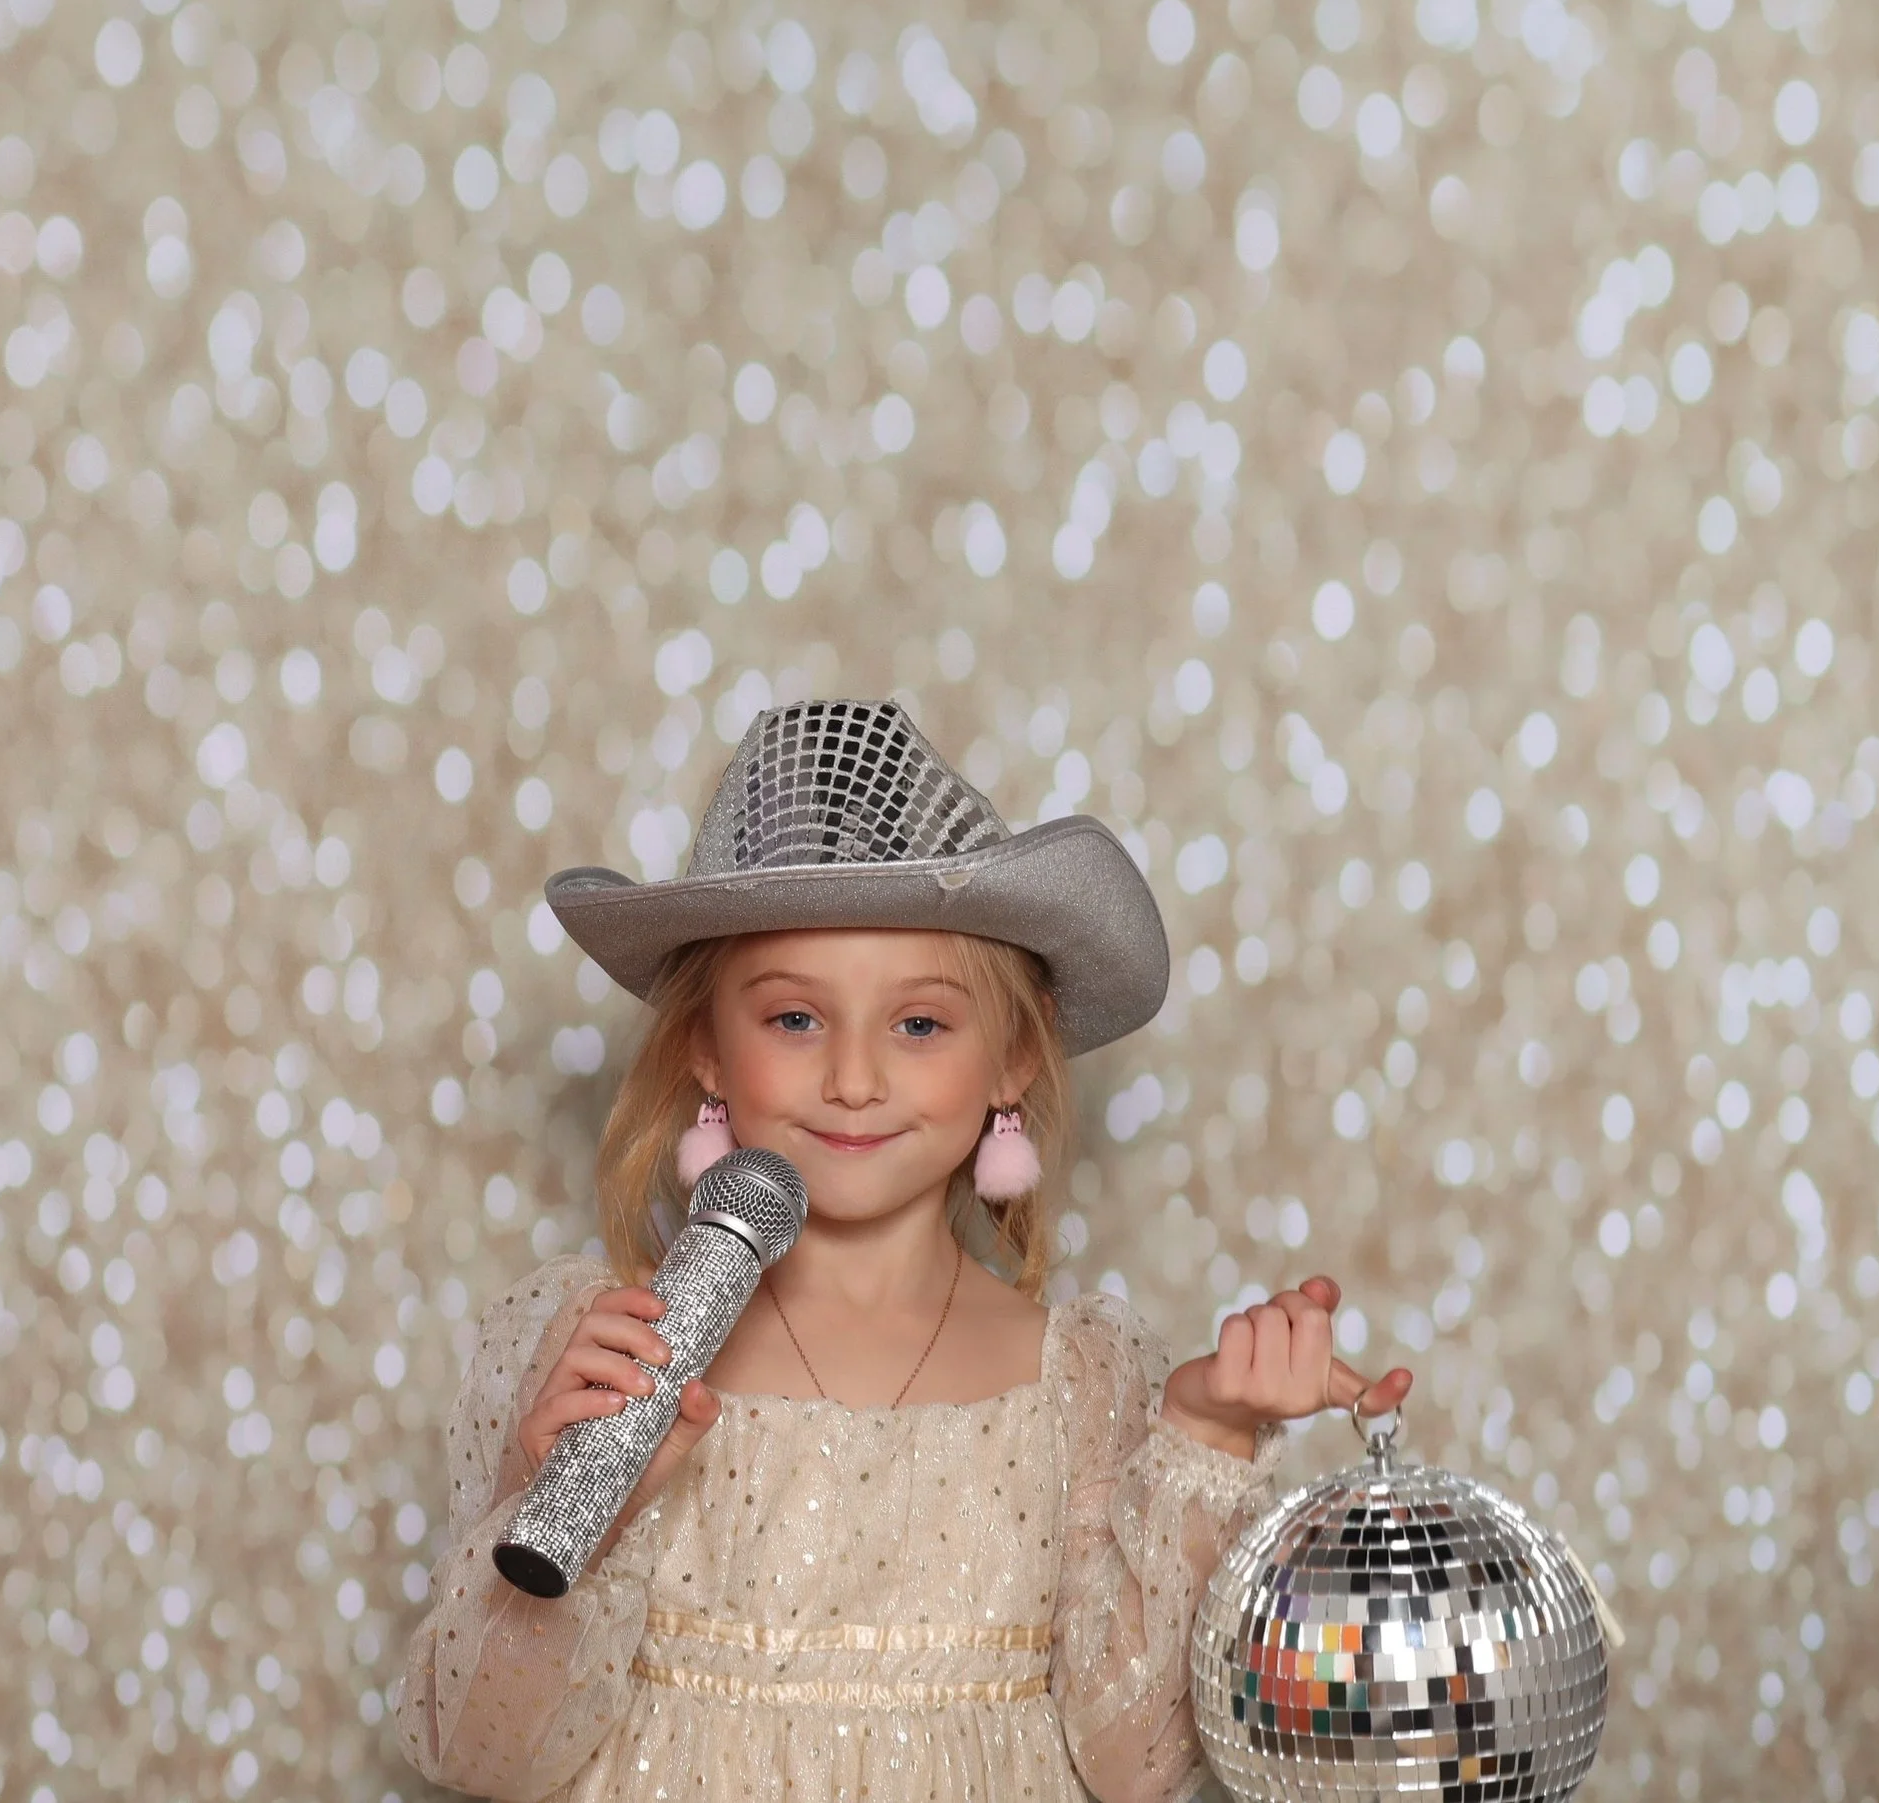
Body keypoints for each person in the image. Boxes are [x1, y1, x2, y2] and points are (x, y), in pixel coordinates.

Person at [393, 699, 1410, 1802]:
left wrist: (1209, 1432)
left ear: (1013, 1057)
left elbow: (1134, 1768)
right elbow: (478, 1757)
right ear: (705, 1046)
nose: (854, 1078)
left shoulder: (1074, 1380)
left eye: (919, 1024)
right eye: (794, 1018)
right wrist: (557, 1520)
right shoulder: (601, 1350)